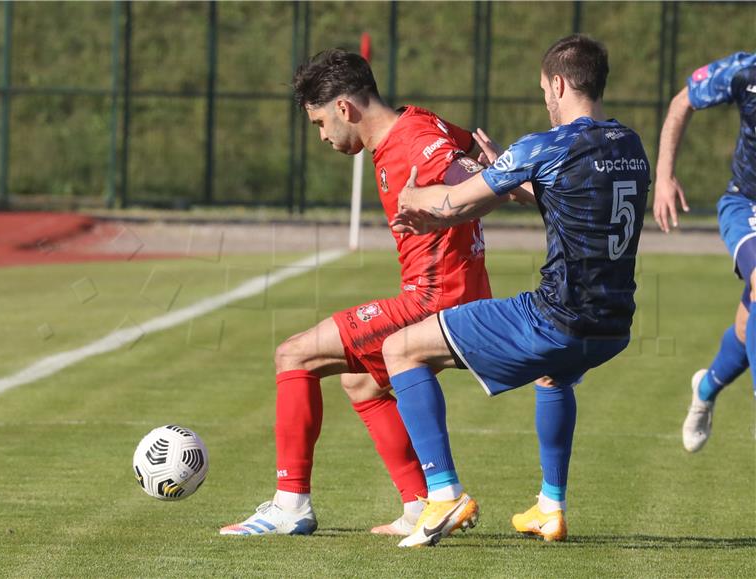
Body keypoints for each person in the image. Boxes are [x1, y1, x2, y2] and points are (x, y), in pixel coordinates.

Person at [381, 34, 650, 547]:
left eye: (545, 89)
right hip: (613, 326)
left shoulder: (545, 145)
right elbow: (567, 194)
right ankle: (550, 508)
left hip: (556, 318)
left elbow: (453, 206)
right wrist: (506, 173)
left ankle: (442, 495)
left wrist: (414, 194)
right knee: (555, 377)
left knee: (401, 348)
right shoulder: (630, 144)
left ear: (559, 83)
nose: (545, 100)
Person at [219, 49, 502, 537]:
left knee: (294, 355)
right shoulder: (420, 122)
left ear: (345, 108)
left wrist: (476, 183)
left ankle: (290, 505)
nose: (324, 136)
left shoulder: (411, 141)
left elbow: (472, 179)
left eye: (320, 123)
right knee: (362, 383)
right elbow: (465, 151)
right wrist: (479, 165)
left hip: (434, 301)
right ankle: (419, 504)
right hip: (453, 294)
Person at [653, 52, 756, 453]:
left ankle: (707, 386)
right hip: (746, 205)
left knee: (747, 327)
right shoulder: (745, 73)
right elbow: (684, 101)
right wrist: (664, 176)